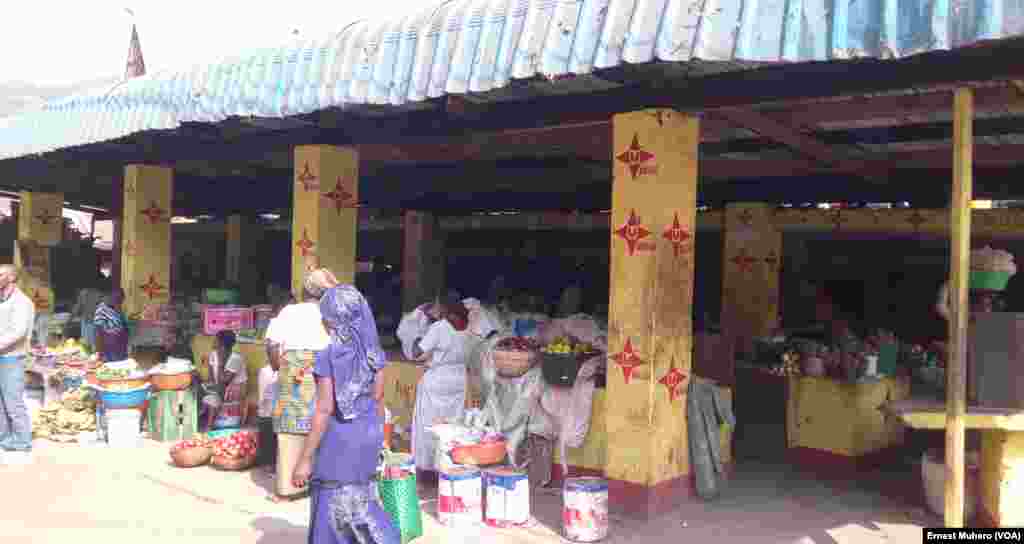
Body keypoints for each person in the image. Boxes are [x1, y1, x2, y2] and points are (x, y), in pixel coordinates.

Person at [291, 285, 399, 544]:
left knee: (332, 506)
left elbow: (325, 409)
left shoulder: (328, 356)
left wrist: (305, 459)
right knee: (363, 500)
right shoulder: (375, 355)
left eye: (324, 316)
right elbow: (378, 400)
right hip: (368, 438)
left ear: (332, 320)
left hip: (339, 442)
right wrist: (383, 444)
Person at [265, 270, 334, 502]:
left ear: (304, 291)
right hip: (323, 371)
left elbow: (273, 344)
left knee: (288, 428)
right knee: (322, 423)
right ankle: (319, 482)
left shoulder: (289, 311)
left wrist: (278, 367)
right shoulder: (330, 313)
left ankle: (287, 488)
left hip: (293, 372)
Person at [412, 301, 473, 483]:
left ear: (447, 312)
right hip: (458, 380)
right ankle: (449, 469)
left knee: (429, 427)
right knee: (452, 427)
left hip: (437, 380)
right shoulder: (469, 331)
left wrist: (417, 335)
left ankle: (428, 471)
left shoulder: (439, 327)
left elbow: (417, 352)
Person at [0, 265, 36, 456]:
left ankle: (22, 442)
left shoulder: (22, 302)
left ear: (12, 278)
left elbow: (18, 332)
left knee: (13, 401)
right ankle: (5, 439)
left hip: (13, 358)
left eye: (1, 275)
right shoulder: (3, 300)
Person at [201, 330, 248, 430]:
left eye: (216, 339)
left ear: (222, 344)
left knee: (215, 397)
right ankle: (201, 422)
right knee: (199, 391)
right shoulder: (213, 355)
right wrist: (207, 385)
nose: (213, 341)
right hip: (220, 387)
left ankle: (208, 427)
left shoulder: (235, 358)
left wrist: (221, 363)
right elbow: (211, 378)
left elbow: (224, 381)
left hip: (234, 389)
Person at [257, 331, 280, 472]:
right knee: (268, 440)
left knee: (275, 441)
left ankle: (272, 464)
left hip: (277, 410)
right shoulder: (265, 372)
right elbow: (263, 396)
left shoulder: (281, 370)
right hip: (268, 412)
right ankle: (268, 465)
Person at [94, 289, 129, 362]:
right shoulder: (101, 310)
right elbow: (98, 331)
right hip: (109, 347)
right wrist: (99, 351)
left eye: (121, 300)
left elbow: (123, 325)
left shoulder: (117, 308)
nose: (120, 302)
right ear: (111, 297)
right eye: (118, 299)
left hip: (120, 346)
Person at [72, 284, 103, 351]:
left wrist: (72, 316)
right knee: (92, 343)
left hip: (89, 321)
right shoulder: (99, 294)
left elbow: (77, 307)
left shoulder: (84, 293)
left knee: (87, 343)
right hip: (92, 321)